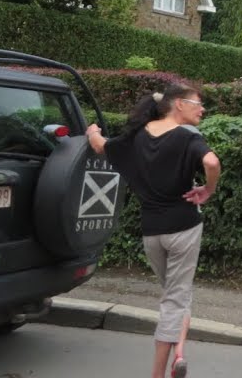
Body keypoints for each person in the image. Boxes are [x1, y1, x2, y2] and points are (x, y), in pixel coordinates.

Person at [86, 83, 220, 378]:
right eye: (197, 103)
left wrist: (92, 131)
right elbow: (211, 161)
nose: (202, 109)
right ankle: (158, 373)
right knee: (175, 298)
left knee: (176, 294)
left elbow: (100, 145)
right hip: (184, 228)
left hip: (152, 234)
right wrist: (209, 189)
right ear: (178, 104)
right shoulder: (187, 137)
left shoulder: (136, 137)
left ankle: (180, 353)